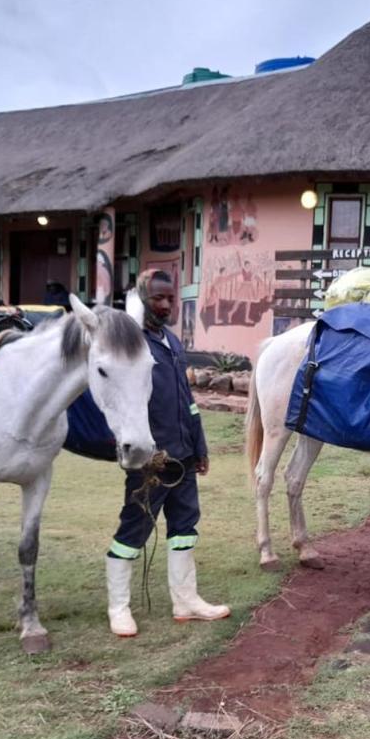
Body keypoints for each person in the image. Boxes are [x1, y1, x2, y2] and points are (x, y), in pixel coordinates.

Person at [104, 269, 229, 636]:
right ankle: (118, 607)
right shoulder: (130, 344)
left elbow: (187, 402)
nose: (166, 304)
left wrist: (199, 447)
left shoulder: (172, 342)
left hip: (184, 457)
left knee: (185, 528)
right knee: (135, 528)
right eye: (158, 298)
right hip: (150, 459)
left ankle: (186, 600)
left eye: (170, 298)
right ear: (141, 298)